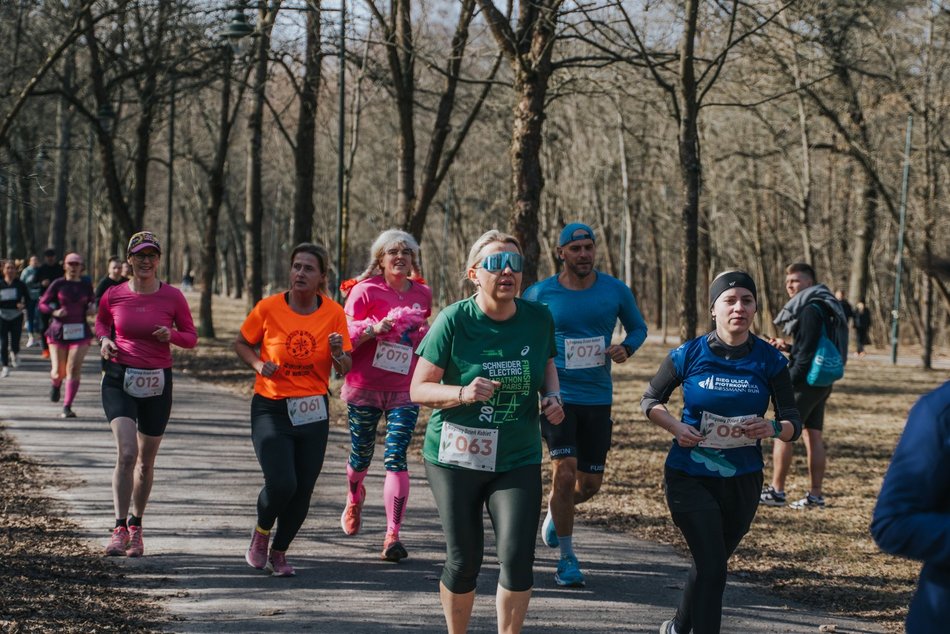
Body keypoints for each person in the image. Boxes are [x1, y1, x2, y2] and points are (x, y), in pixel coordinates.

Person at [410, 230, 565, 634]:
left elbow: (547, 363)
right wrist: (462, 392)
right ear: (474, 273)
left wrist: (553, 396)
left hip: (516, 455)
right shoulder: (454, 319)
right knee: (464, 562)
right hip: (455, 457)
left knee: (516, 558)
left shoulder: (538, 318)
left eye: (515, 264)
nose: (508, 271)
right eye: (497, 264)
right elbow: (418, 388)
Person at [641, 271, 801, 634]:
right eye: (729, 301)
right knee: (713, 566)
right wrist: (676, 427)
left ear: (755, 307)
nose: (739, 308)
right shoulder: (688, 354)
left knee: (709, 563)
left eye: (747, 300)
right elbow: (650, 400)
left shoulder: (770, 361)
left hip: (742, 479)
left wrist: (774, 428)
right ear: (713, 309)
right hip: (689, 476)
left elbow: (793, 421)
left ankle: (679, 627)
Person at [521, 221, 648, 587]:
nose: (583, 255)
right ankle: (567, 559)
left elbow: (637, 328)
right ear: (561, 252)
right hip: (557, 395)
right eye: (575, 249)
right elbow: (521, 331)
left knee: (589, 484)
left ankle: (556, 510)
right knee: (564, 471)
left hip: (597, 397)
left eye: (588, 248)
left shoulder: (615, 290)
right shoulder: (540, 293)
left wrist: (627, 348)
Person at [234, 242, 352, 577]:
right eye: (296, 266)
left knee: (303, 488)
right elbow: (241, 343)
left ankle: (280, 552)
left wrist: (338, 354)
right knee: (282, 481)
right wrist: (258, 364)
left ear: (321, 277)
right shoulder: (269, 308)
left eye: (308, 268)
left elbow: (345, 365)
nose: (300, 273)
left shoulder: (333, 312)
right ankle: (261, 532)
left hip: (313, 411)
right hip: (271, 407)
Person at [96, 231, 197, 557]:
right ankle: (119, 527)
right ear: (129, 259)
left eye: (151, 255)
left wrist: (173, 335)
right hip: (118, 377)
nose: (145, 261)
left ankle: (137, 527)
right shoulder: (113, 295)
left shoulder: (173, 297)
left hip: (156, 381)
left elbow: (192, 337)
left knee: (145, 462)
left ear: (158, 260)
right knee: (127, 453)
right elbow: (100, 323)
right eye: (139, 255)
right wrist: (104, 341)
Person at [338, 229, 432, 562]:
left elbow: (422, 338)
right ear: (380, 258)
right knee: (361, 455)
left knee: (396, 456)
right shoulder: (364, 291)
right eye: (393, 251)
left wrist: (426, 336)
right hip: (365, 385)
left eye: (407, 251)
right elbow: (343, 336)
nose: (401, 256)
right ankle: (354, 496)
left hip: (404, 388)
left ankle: (392, 535)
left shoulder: (422, 293)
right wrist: (372, 329)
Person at [760, 263, 847, 510]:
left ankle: (777, 491)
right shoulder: (826, 305)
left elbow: (806, 356)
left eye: (795, 281)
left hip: (805, 382)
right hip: (822, 381)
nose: (790, 286)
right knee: (813, 435)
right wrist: (788, 348)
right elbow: (813, 347)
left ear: (809, 283)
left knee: (783, 433)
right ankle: (815, 496)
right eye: (788, 282)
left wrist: (785, 383)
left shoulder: (809, 309)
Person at [39, 253, 95, 418]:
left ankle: (67, 406)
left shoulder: (86, 284)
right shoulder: (58, 284)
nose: (73, 267)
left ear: (81, 266)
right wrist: (54, 311)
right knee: (58, 372)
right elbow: (42, 304)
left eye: (77, 264)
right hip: (58, 331)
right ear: (65, 265)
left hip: (80, 331)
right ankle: (56, 384)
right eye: (70, 263)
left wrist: (92, 307)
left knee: (73, 368)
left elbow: (92, 301)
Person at [1, 260, 29, 378]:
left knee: (15, 341)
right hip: (2, 315)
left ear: (15, 270)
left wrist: (23, 305)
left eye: (12, 268)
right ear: (3, 270)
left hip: (16, 315)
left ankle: (15, 352)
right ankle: (5, 367)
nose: (10, 270)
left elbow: (27, 299)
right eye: (8, 268)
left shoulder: (20, 284)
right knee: (3, 343)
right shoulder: (0, 283)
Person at [35, 248, 64, 359]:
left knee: (59, 324)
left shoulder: (60, 268)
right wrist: (41, 283)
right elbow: (34, 282)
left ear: (55, 257)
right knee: (43, 325)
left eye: (52, 257)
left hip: (58, 300)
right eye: (48, 257)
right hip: (45, 301)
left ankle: (58, 346)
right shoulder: (41, 269)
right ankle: (45, 349)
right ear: (45, 258)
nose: (50, 259)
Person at [19, 255, 41, 347]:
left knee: (39, 317)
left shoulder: (40, 270)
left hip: (40, 298)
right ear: (30, 262)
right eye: (33, 261)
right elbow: (21, 284)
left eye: (36, 260)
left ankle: (39, 337)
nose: (35, 262)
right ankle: (31, 337)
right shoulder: (26, 271)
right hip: (29, 298)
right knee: (30, 318)